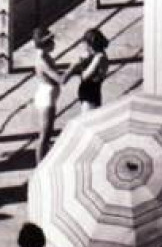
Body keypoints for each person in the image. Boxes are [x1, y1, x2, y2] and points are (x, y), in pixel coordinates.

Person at [31, 28, 66, 161]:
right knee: (45, 136)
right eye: (51, 41)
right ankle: (39, 167)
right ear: (45, 43)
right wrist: (74, 68)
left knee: (47, 135)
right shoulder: (42, 60)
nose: (54, 43)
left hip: (48, 94)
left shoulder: (45, 56)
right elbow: (60, 79)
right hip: (46, 98)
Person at [71, 28, 110, 112]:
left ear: (89, 44)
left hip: (90, 96)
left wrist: (77, 65)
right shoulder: (95, 56)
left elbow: (85, 76)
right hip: (88, 94)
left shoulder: (99, 57)